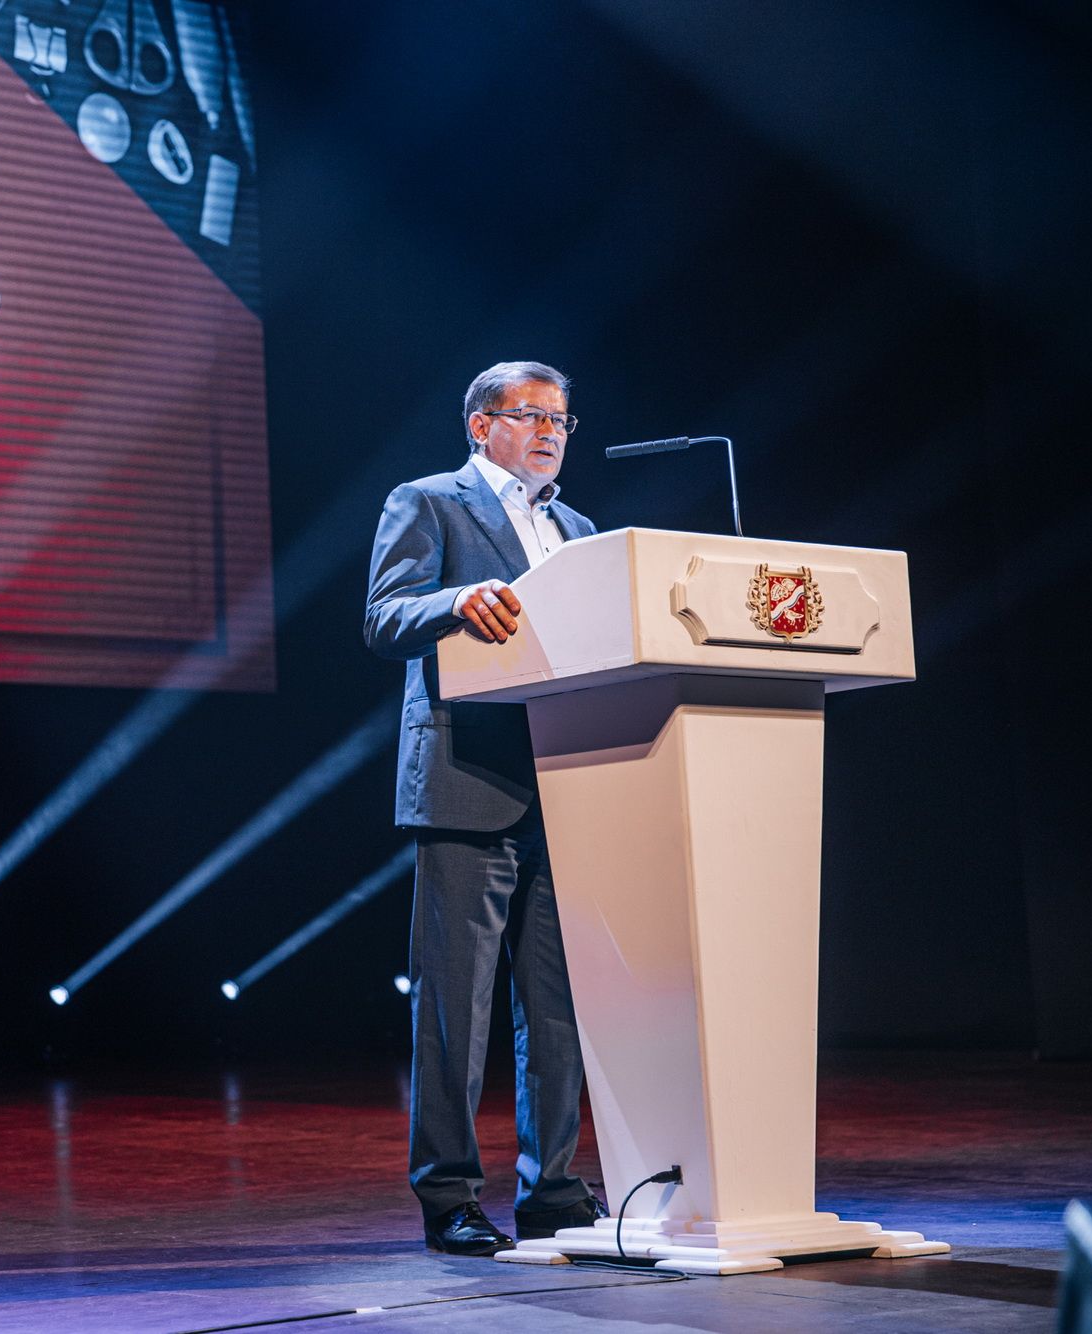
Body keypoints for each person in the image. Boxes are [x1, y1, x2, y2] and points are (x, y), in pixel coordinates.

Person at [363, 361, 608, 1256]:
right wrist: (456, 600)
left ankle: (554, 1193)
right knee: (454, 1010)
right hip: (467, 781)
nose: (549, 432)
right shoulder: (430, 501)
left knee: (558, 1009)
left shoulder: (578, 530)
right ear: (480, 424)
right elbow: (385, 616)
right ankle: (450, 1197)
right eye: (531, 414)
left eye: (561, 420)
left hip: (568, 783)